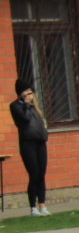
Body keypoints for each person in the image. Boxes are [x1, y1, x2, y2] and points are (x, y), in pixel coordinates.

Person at [10, 79, 50, 215]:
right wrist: (27, 104)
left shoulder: (35, 107)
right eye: (26, 90)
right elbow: (25, 119)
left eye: (30, 91)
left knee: (41, 175)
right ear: (20, 92)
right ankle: (33, 207)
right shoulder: (15, 106)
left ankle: (42, 206)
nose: (29, 93)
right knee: (34, 174)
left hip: (40, 143)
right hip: (27, 143)